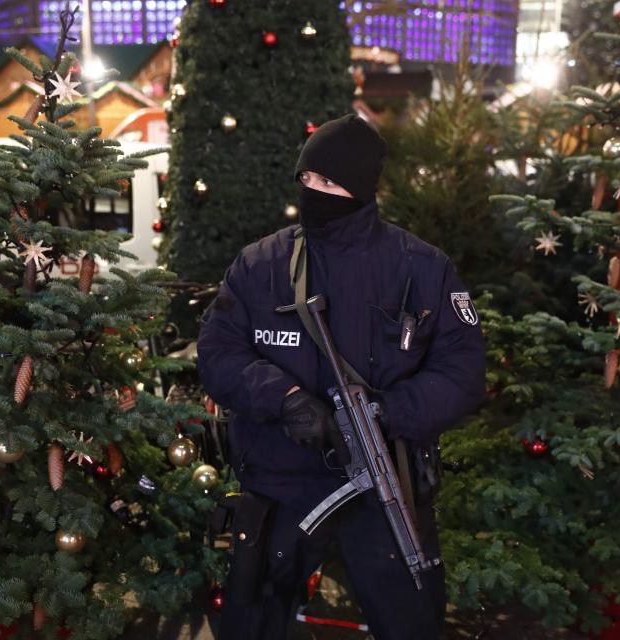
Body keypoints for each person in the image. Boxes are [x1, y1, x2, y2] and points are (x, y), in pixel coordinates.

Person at [197, 113, 486, 640]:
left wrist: (386, 413)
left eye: (328, 182)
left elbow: (462, 373)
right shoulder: (260, 265)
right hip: (279, 485)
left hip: (384, 488)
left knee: (410, 623)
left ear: (359, 188)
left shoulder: (421, 268)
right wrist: (283, 397)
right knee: (251, 623)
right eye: (306, 180)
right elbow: (218, 353)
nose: (314, 192)